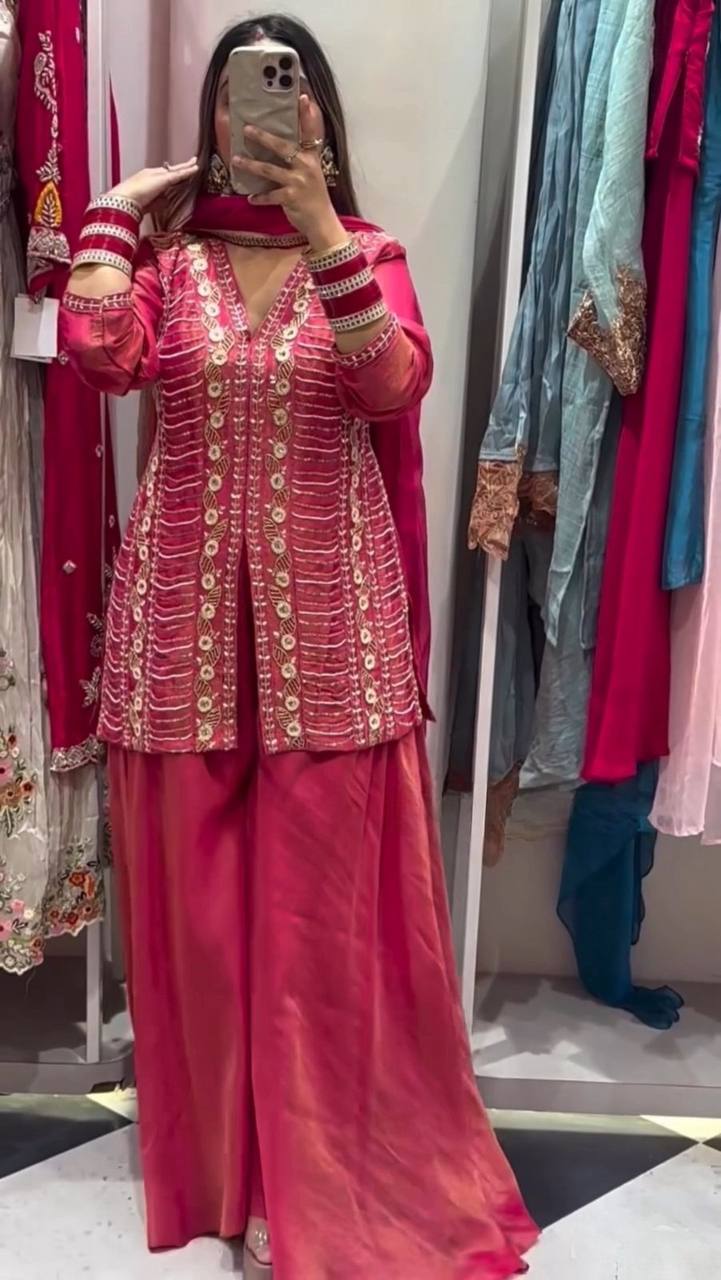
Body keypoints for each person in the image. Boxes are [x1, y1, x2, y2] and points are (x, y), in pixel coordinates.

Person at [59, 15, 538, 1280]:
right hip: (182, 628)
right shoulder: (172, 266)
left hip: (333, 630)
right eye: (236, 94)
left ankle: (318, 1177)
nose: (259, 113)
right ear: (213, 118)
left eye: (284, 92)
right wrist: (116, 212)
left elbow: (393, 384)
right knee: (209, 931)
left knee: (318, 932)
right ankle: (225, 1174)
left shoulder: (368, 254)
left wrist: (323, 229)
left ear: (318, 113)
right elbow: (100, 357)